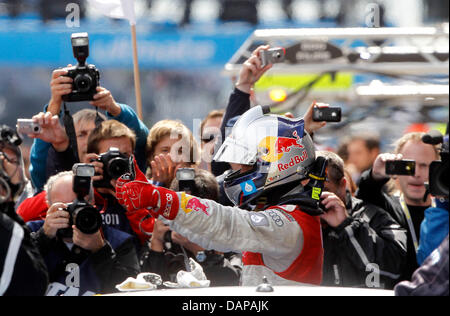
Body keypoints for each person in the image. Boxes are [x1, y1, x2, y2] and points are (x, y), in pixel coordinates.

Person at [116, 103, 325, 286]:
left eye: (246, 164)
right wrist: (160, 206)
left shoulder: (290, 223)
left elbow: (225, 223)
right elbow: (214, 236)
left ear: (277, 165)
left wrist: (160, 198)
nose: (236, 170)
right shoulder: (287, 214)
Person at [28, 67, 148, 192]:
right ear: (70, 142)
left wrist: (115, 109)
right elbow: (40, 172)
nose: (90, 139)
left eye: (97, 134)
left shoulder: (126, 171)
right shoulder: (59, 175)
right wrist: (54, 105)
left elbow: (143, 142)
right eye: (82, 134)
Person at [27, 171, 140, 296]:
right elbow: (13, 274)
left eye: (77, 205)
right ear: (48, 206)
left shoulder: (118, 241)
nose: (71, 213)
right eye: (63, 208)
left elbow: (132, 289)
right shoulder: (30, 232)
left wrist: (100, 250)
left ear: (92, 204)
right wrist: (44, 237)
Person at [356, 132, 440, 282]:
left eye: (424, 166)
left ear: (437, 170)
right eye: (409, 166)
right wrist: (376, 175)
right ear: (395, 170)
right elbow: (368, 192)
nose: (416, 174)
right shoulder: (387, 209)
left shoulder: (443, 213)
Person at [317, 151, 407, 289]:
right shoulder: (294, 216)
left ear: (342, 186)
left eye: (322, 190)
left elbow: (395, 268)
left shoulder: (374, 215)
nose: (314, 197)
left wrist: (346, 226)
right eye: (308, 190)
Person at [140, 168, 242, 287]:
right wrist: (156, 243)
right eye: (182, 213)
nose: (188, 221)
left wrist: (201, 251)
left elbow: (232, 282)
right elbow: (147, 289)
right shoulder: (166, 244)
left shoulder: (228, 242)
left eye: (196, 215)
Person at [0, 124, 49, 296]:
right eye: (12, 162)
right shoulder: (8, 228)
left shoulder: (11, 223)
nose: (19, 169)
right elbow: (33, 284)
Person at [145, 119, 200, 188]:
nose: (174, 157)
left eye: (180, 151)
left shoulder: (202, 188)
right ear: (151, 157)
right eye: (165, 150)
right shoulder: (139, 192)